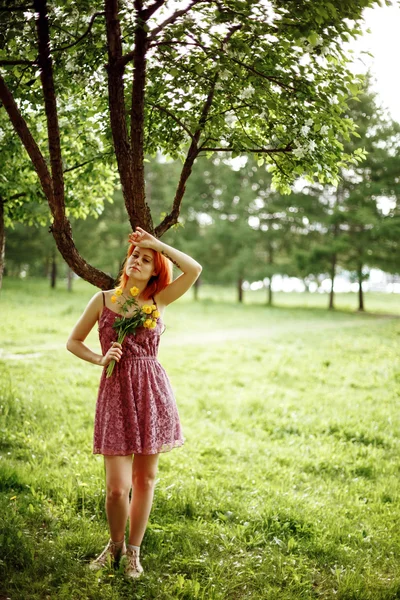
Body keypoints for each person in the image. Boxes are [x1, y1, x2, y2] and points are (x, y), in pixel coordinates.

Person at [66, 226, 202, 578]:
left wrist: (156, 244)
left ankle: (134, 553)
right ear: (126, 262)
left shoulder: (158, 302)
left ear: (156, 269)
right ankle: (114, 544)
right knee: (116, 488)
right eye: (134, 256)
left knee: (145, 479)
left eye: (146, 259)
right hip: (116, 392)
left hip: (152, 392)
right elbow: (73, 342)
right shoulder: (103, 300)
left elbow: (195, 269)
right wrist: (99, 358)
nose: (138, 261)